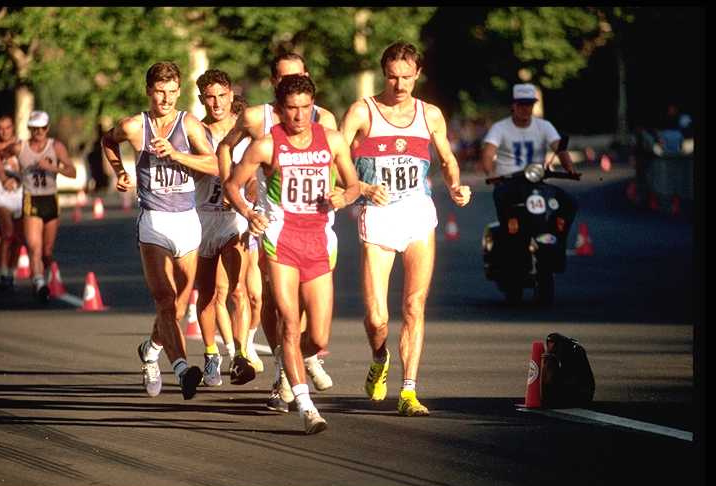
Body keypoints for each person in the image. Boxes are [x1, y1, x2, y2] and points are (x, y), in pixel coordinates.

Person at [340, 41, 472, 417]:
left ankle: (409, 391)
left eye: (406, 78)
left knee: (414, 305)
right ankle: (379, 358)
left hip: (417, 213)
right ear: (385, 75)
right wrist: (362, 187)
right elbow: (337, 158)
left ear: (417, 75)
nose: (399, 85)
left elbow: (446, 160)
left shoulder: (429, 115)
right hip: (378, 215)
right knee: (377, 317)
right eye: (393, 77)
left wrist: (455, 186)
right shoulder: (362, 111)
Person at [224, 74, 360, 434]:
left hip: (319, 242)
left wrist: (342, 197)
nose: (299, 116)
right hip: (281, 242)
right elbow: (233, 185)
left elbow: (354, 183)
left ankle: (303, 357)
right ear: (279, 109)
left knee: (319, 336)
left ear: (312, 105)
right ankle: (304, 405)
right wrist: (250, 213)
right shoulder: (266, 146)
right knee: (288, 321)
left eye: (305, 108)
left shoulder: (330, 140)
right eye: (291, 109)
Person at [101, 61, 220, 401]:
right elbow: (108, 141)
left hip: (187, 220)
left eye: (171, 93)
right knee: (165, 300)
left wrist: (179, 155)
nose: (165, 100)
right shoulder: (135, 126)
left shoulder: (190, 125)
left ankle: (150, 349)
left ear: (179, 92)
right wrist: (119, 171)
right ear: (148, 92)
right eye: (159, 93)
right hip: (153, 220)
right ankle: (182, 369)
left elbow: (215, 165)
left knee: (181, 307)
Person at [193, 69, 256, 387]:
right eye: (209, 97)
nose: (216, 102)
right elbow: (196, 166)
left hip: (236, 219)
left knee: (239, 289)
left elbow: (258, 168)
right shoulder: (196, 132)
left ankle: (241, 354)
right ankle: (210, 355)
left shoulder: (246, 128)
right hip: (204, 217)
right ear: (202, 98)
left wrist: (253, 192)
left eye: (221, 95)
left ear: (231, 94)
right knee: (206, 293)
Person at [480, 83, 577, 252]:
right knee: (502, 199)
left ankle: (557, 240)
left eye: (529, 104)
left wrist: (570, 168)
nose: (526, 109)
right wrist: (491, 173)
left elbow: (559, 148)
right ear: (513, 106)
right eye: (521, 104)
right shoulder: (500, 128)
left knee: (569, 203)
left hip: (536, 182)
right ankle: (509, 241)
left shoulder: (544, 126)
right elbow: (488, 154)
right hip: (509, 182)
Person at [0, 110, 77, 303]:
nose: (38, 132)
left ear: (47, 128)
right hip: (31, 199)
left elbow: (72, 171)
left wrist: (53, 168)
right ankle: (39, 282)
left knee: (47, 251)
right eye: (35, 128)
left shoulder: (56, 146)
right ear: (30, 129)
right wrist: (4, 178)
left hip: (51, 200)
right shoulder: (19, 147)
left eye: (42, 128)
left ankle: (44, 275)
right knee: (34, 246)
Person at [0, 114, 24, 290]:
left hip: (19, 196)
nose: (4, 131)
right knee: (7, 233)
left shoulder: (21, 145)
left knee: (18, 238)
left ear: (13, 128)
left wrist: (18, 170)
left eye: (7, 127)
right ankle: (3, 273)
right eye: (0, 128)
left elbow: (29, 169)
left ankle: (11, 271)